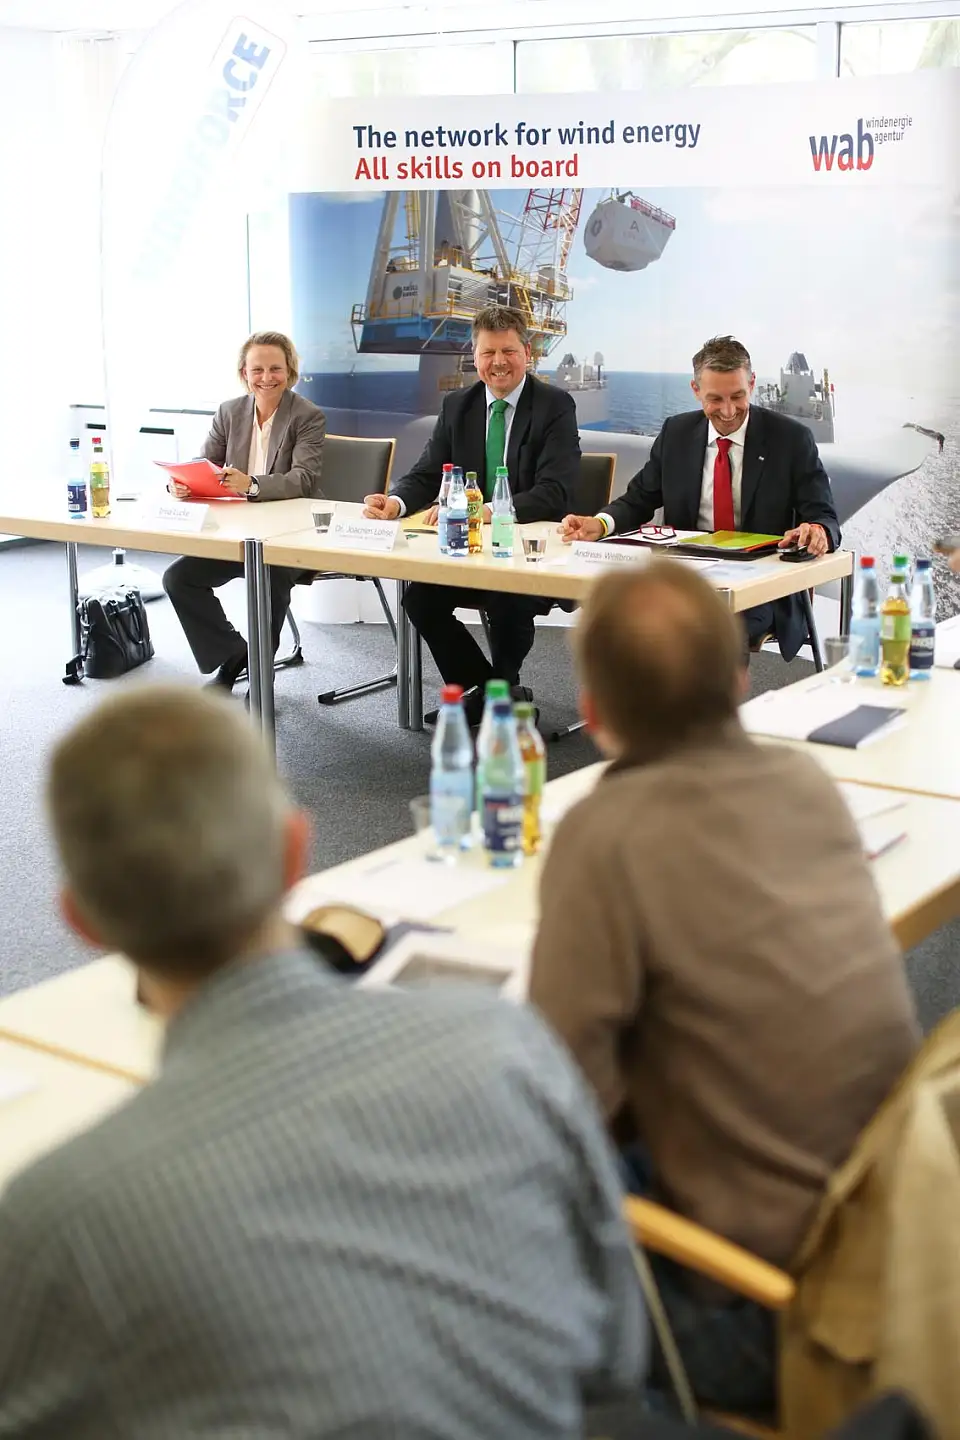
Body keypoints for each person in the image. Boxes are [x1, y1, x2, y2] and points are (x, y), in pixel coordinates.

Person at [0, 686, 644, 1438]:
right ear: (296, 853)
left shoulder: (57, 1218)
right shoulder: (509, 1045)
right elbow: (615, 1355)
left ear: (81, 921)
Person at [527, 563, 919, 1416]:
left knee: (490, 1241)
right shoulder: (809, 785)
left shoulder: (604, 835)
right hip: (897, 1241)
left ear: (590, 714)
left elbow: (561, 1117)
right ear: (742, 679)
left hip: (777, 1316)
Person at [363, 304, 580, 725]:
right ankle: (493, 691)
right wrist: (397, 502)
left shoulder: (555, 405)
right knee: (420, 598)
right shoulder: (458, 405)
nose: (498, 362)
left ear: (527, 353)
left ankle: (496, 691)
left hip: (526, 550)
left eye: (508, 351)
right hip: (466, 547)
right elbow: (428, 473)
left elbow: (554, 493)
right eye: (487, 353)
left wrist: (484, 510)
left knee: (506, 598)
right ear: (474, 357)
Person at [559, 335, 841, 659]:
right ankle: (641, 706)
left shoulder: (791, 439)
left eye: (738, 396)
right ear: (695, 391)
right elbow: (639, 498)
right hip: (685, 577)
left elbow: (824, 515)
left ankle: (702, 709)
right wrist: (599, 522)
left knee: (711, 626)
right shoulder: (676, 433)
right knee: (627, 616)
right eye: (715, 399)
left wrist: (816, 531)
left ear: (751, 383)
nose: (728, 410)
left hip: (760, 587)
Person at [163, 331, 326, 690]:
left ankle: (260, 682)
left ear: (290, 372)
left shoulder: (307, 415)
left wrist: (251, 484)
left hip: (290, 537)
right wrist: (183, 482)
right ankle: (235, 653)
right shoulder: (229, 411)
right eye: (257, 370)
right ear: (244, 374)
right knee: (178, 578)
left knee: (269, 580)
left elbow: (303, 479)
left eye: (275, 369)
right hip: (237, 533)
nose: (266, 377)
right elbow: (204, 463)